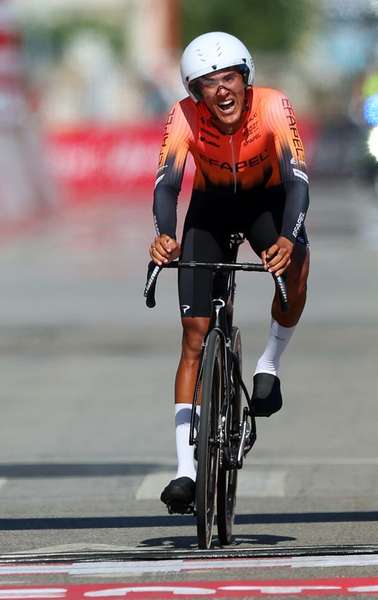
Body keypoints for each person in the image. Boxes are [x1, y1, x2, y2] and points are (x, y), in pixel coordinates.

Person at [149, 32, 311, 512]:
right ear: (194, 92)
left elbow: (299, 182)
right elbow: (166, 186)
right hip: (211, 210)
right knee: (194, 336)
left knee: (296, 268)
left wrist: (286, 239)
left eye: (229, 79)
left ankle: (269, 364)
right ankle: (185, 471)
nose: (221, 91)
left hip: (267, 203)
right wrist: (163, 233)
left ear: (246, 79)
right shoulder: (183, 116)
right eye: (207, 84)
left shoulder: (275, 107)